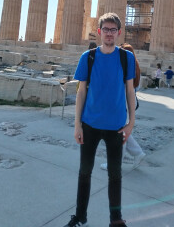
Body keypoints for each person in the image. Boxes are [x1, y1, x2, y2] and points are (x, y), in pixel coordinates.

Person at [63, 13, 136, 227]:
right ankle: (80, 216)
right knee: (84, 172)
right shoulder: (88, 57)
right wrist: (77, 124)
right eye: (106, 29)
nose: (109, 33)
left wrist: (131, 122)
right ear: (99, 32)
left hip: (116, 127)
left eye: (113, 30)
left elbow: (130, 91)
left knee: (115, 175)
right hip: (90, 124)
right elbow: (81, 92)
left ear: (119, 33)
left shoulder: (126, 58)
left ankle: (116, 219)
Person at [100, 43, 145, 171]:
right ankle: (138, 153)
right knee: (121, 130)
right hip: (129, 102)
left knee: (117, 133)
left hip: (120, 101)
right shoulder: (136, 67)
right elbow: (136, 88)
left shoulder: (125, 66)